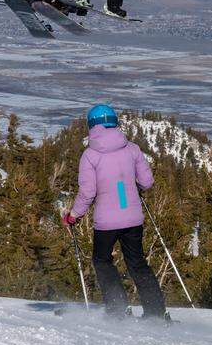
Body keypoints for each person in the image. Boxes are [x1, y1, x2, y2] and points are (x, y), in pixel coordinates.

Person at [63, 104, 167, 320]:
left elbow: (88, 192)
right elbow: (147, 182)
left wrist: (74, 215)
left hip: (106, 222)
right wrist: (129, 187)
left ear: (92, 125)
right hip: (133, 218)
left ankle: (118, 309)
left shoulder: (90, 155)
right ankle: (156, 312)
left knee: (102, 261)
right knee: (137, 263)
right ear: (114, 122)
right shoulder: (132, 149)